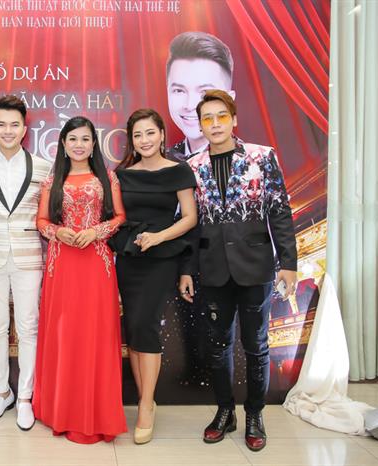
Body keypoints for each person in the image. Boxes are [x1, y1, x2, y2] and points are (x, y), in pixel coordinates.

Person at [179, 90, 297, 452]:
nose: (214, 124)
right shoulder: (192, 165)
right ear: (200, 125)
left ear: (233, 119)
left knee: (256, 346)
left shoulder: (262, 156)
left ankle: (255, 415)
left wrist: (289, 263)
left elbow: (279, 210)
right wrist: (186, 270)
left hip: (256, 267)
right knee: (217, 346)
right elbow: (190, 223)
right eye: (207, 118)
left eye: (221, 116)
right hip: (212, 268)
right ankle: (225, 411)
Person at [33, 116, 127, 444]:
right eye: (72, 139)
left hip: (97, 265)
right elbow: (41, 220)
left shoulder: (108, 177)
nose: (79, 145)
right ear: (62, 143)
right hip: (62, 265)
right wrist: (58, 231)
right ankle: (63, 412)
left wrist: (96, 231)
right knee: (65, 335)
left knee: (95, 334)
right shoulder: (52, 181)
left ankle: (98, 414)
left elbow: (120, 216)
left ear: (93, 143)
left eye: (85, 139)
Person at [113, 109, 198, 444]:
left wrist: (159, 237)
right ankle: (143, 398)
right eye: (138, 135)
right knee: (134, 328)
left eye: (150, 133)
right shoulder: (122, 174)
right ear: (131, 140)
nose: (144, 140)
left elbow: (190, 217)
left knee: (146, 326)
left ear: (162, 134)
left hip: (161, 259)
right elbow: (116, 217)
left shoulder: (179, 170)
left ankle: (146, 404)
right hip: (128, 259)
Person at [0, 95, 52, 430]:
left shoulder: (43, 167)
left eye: (14, 125)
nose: (7, 130)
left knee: (29, 327)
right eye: (1, 124)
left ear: (24, 129)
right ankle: (1, 392)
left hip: (30, 256)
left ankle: (26, 397)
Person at [165, 31, 235, 161]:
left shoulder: (256, 160)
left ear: (229, 100)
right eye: (179, 90)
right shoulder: (159, 164)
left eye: (204, 92)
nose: (190, 105)